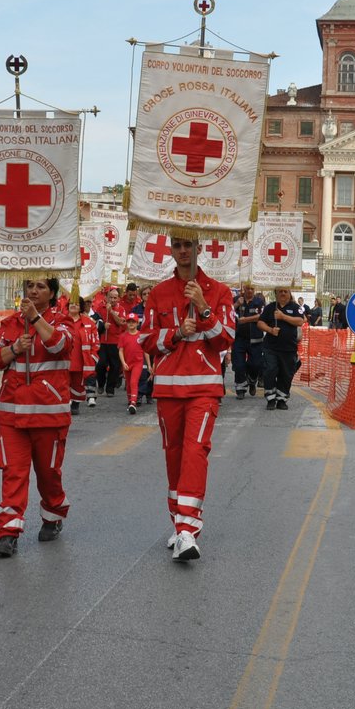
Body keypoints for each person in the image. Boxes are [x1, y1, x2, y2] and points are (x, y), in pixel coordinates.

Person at [139, 235, 234, 561]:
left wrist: (205, 309)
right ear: (171, 250)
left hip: (204, 389)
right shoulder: (159, 292)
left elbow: (225, 340)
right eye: (177, 245)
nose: (182, 251)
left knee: (196, 452)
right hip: (167, 388)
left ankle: (187, 531)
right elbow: (146, 340)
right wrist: (177, 333)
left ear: (199, 249)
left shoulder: (219, 292)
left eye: (188, 245)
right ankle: (179, 522)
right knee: (175, 456)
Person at [0, 278, 74, 558]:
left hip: (49, 414)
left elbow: (61, 346)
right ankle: (8, 532)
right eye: (30, 286)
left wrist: (34, 319)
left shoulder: (62, 320)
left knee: (48, 474)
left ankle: (53, 512)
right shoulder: (10, 322)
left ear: (52, 293)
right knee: (13, 472)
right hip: (11, 414)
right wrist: (13, 350)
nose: (33, 291)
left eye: (41, 287)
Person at [260, 286, 306, 410]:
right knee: (270, 371)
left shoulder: (296, 308)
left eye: (285, 291)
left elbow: (300, 321)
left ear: (289, 293)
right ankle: (270, 398)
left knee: (286, 374)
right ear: (276, 293)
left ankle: (282, 399)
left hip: (289, 348)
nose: (283, 293)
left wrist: (283, 317)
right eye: (280, 291)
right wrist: (270, 330)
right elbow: (260, 322)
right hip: (271, 347)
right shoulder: (270, 307)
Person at [66, 296, 100, 413]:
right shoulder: (61, 321)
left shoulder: (89, 322)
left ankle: (75, 403)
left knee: (78, 384)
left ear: (81, 306)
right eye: (71, 303)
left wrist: (93, 357)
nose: (73, 305)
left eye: (76, 303)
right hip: (65, 359)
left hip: (81, 360)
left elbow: (96, 342)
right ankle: (65, 403)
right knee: (63, 382)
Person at [233, 283, 266, 399]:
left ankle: (252, 381)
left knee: (255, 364)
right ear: (244, 289)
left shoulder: (259, 301)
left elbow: (261, 316)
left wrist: (246, 320)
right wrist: (237, 304)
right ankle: (240, 389)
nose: (250, 291)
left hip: (256, 339)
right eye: (248, 288)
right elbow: (227, 312)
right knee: (238, 365)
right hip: (239, 339)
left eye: (252, 288)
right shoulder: (237, 299)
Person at [118, 312, 146, 415]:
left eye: (133, 322)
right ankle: (130, 401)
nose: (131, 324)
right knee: (129, 384)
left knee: (134, 382)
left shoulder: (140, 336)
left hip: (137, 363)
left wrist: (150, 365)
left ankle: (133, 402)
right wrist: (123, 362)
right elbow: (120, 350)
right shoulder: (123, 336)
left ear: (137, 323)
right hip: (127, 363)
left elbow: (145, 350)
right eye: (129, 322)